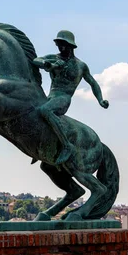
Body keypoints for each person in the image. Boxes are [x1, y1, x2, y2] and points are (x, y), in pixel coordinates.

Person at [33, 30, 109, 165]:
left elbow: (93, 83)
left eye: (63, 44)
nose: (60, 47)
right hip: (50, 96)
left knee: (45, 111)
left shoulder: (81, 66)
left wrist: (100, 100)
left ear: (71, 46)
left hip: (64, 97)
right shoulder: (54, 58)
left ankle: (67, 145)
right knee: (32, 112)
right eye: (58, 44)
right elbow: (36, 60)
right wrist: (47, 64)